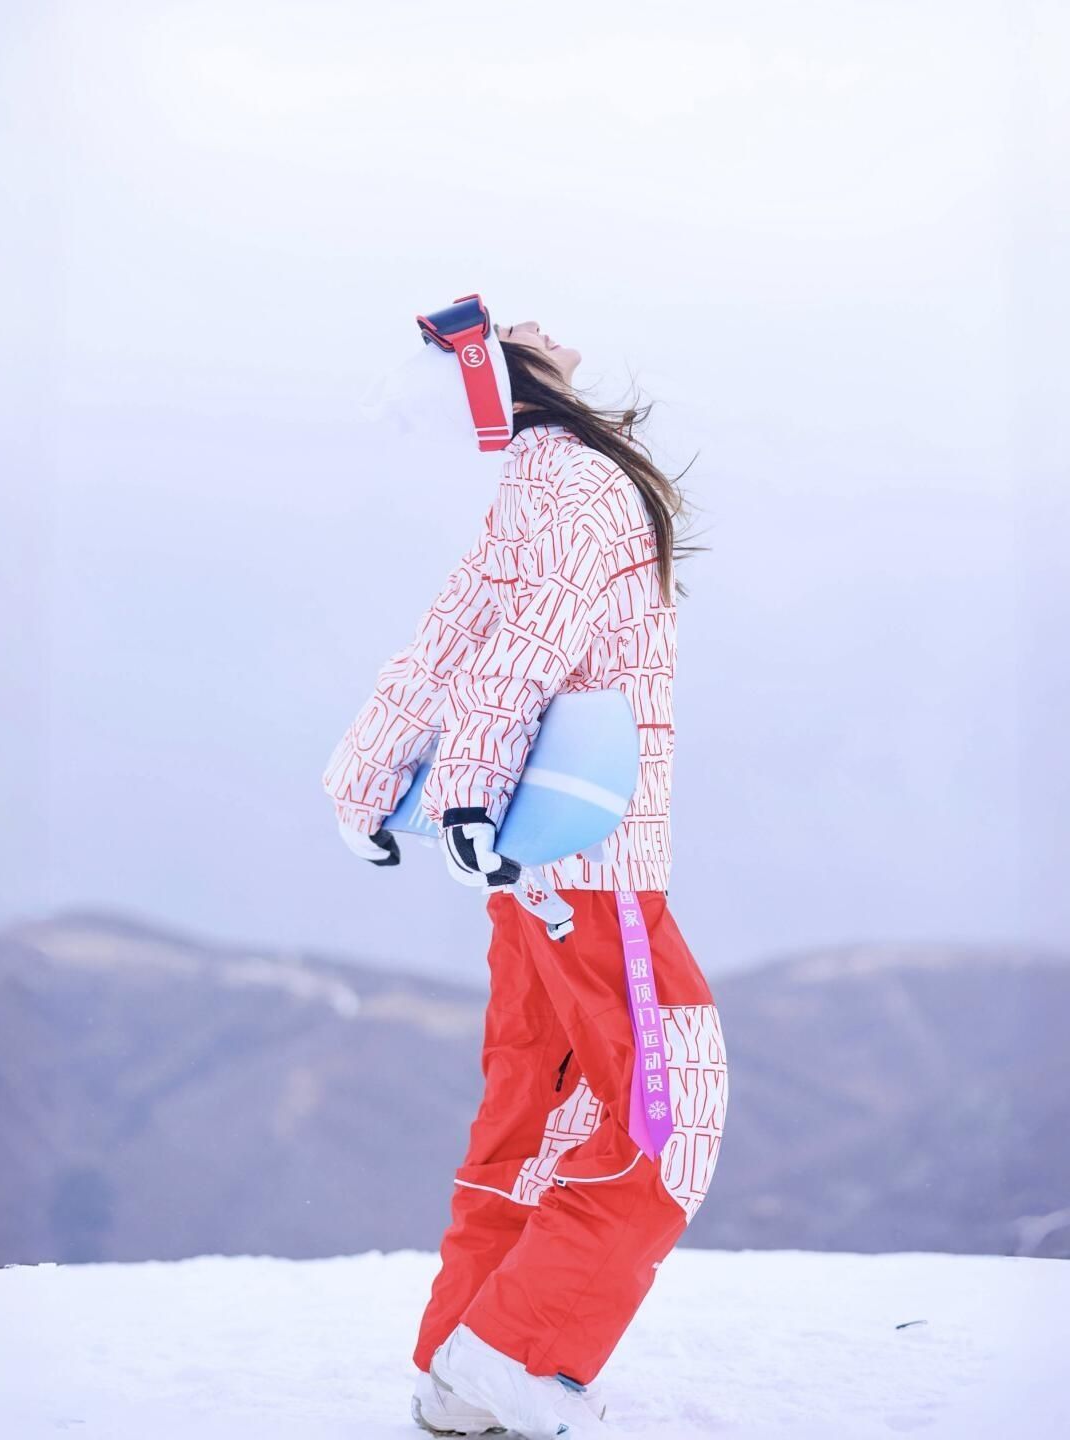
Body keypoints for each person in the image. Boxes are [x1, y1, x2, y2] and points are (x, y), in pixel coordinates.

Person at [322, 315, 729, 1439]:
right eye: (511, 335)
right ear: (496, 379)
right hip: (590, 862)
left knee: (541, 1115)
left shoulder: (540, 484)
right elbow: (516, 651)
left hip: (532, 867)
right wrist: (462, 795)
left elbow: (448, 642)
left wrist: (369, 775)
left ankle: (464, 1367)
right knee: (670, 1112)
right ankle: (515, 1357)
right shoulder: (581, 484)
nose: (537, 330)